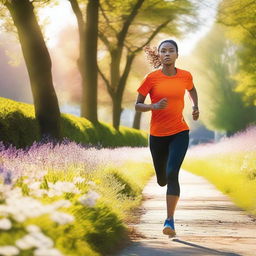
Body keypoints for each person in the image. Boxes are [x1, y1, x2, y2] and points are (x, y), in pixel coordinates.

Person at [135, 39, 199, 237]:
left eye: (171, 50)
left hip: (180, 132)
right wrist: (152, 106)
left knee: (172, 173)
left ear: (177, 55)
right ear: (160, 55)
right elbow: (138, 105)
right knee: (162, 179)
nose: (167, 54)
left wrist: (195, 106)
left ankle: (169, 220)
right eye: (164, 51)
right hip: (157, 136)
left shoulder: (185, 76)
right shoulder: (151, 78)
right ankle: (163, 181)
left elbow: (192, 89)